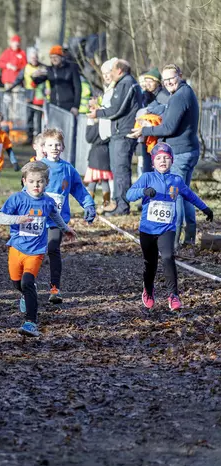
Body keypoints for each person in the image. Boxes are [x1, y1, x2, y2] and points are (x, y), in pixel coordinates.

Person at [126, 143, 213, 311]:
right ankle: (148, 290)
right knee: (150, 263)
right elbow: (129, 195)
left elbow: (190, 195)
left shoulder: (176, 180)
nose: (163, 161)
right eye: (158, 158)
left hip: (167, 228)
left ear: (172, 161)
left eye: (166, 158)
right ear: (153, 162)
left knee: (167, 257)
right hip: (148, 229)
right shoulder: (147, 178)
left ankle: (173, 296)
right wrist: (143, 191)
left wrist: (205, 208)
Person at [0, 161, 75, 337]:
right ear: (24, 181)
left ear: (46, 182)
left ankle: (30, 322)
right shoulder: (17, 198)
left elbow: (55, 214)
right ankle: (25, 294)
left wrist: (65, 229)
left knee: (27, 282)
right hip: (17, 247)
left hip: (37, 250)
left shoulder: (47, 201)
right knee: (17, 282)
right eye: (31, 181)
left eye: (39, 181)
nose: (36, 185)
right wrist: (17, 220)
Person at [133, 64, 200, 249]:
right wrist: (151, 113)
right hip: (188, 150)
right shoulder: (180, 93)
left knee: (175, 195)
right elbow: (167, 112)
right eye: (165, 80)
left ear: (180, 75)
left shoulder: (180, 95)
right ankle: (190, 237)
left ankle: (174, 241)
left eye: (172, 78)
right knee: (185, 194)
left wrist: (144, 130)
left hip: (181, 152)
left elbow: (169, 127)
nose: (169, 82)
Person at [39, 128, 96, 303]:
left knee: (53, 249)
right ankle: (27, 287)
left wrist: (88, 204)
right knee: (33, 253)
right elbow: (25, 190)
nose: (54, 148)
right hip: (37, 219)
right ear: (44, 148)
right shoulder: (38, 167)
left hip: (57, 220)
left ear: (63, 147)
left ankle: (54, 288)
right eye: (50, 145)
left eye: (58, 144)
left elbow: (79, 188)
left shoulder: (68, 169)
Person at [87, 59, 143, 216]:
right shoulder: (123, 83)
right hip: (118, 133)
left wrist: (98, 113)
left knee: (121, 171)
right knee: (117, 170)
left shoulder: (126, 83)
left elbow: (117, 109)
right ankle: (117, 202)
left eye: (111, 70)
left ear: (119, 70)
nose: (109, 74)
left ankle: (122, 206)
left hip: (123, 133)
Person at [32, 46, 81, 117]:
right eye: (51, 57)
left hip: (69, 106)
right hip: (54, 106)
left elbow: (78, 88)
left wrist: (76, 106)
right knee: (54, 128)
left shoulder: (71, 68)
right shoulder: (50, 70)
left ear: (61, 57)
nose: (53, 59)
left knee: (68, 127)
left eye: (55, 57)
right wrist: (34, 76)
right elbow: (37, 82)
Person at [13, 48, 46, 142]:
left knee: (39, 119)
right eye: (32, 58)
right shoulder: (26, 68)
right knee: (29, 117)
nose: (34, 59)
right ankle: (29, 137)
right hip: (29, 95)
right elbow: (18, 79)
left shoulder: (42, 67)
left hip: (39, 96)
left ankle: (39, 137)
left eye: (35, 57)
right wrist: (10, 88)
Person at [84, 118, 114, 213]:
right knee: (105, 181)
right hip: (106, 154)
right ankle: (106, 203)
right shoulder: (108, 125)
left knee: (93, 181)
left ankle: (89, 205)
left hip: (95, 155)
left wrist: (89, 125)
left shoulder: (96, 126)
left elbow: (89, 138)